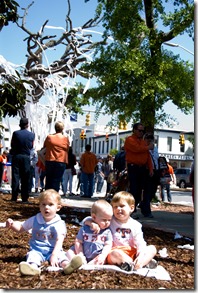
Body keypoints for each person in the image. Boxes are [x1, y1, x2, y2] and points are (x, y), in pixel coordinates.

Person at [5, 189, 82, 276]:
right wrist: (12, 224)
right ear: (40, 206)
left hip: (53, 250)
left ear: (58, 207)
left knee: (61, 257)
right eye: (43, 204)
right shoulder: (35, 219)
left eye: (50, 204)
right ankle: (33, 269)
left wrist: (54, 255)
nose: (46, 207)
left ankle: (67, 266)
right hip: (37, 250)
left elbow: (59, 241)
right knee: (32, 257)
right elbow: (21, 228)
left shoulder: (59, 223)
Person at [84, 191, 157, 271]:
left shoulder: (136, 225)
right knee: (114, 254)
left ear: (131, 208)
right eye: (115, 207)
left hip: (131, 252)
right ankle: (135, 264)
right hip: (114, 252)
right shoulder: (110, 220)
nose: (118, 209)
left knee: (152, 248)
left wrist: (140, 255)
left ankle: (140, 263)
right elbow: (87, 219)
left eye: (122, 206)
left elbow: (140, 243)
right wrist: (92, 224)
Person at [65, 199, 113, 267]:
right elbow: (78, 242)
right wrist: (80, 254)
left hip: (96, 256)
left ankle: (87, 266)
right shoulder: (85, 228)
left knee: (101, 260)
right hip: (83, 253)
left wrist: (103, 255)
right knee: (69, 252)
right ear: (93, 217)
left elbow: (108, 245)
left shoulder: (107, 232)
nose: (107, 223)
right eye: (104, 220)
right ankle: (76, 263)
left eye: (109, 220)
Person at [124, 122, 154, 214]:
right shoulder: (130, 140)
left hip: (142, 168)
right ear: (134, 130)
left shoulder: (143, 142)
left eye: (143, 131)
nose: (141, 132)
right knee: (133, 188)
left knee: (139, 190)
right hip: (133, 167)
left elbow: (147, 156)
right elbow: (136, 149)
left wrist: (150, 168)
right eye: (139, 130)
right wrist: (148, 147)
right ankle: (130, 209)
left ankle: (133, 208)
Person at [10, 118, 35, 203]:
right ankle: (24, 197)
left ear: (19, 124)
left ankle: (14, 197)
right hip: (26, 157)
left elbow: (12, 144)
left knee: (15, 176)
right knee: (25, 177)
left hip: (16, 156)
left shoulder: (15, 133)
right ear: (27, 124)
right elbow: (31, 146)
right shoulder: (31, 135)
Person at [44, 121, 69, 192]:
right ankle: (54, 196)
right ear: (62, 129)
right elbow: (67, 149)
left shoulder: (49, 137)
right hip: (61, 161)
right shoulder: (65, 139)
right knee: (57, 180)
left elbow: (44, 146)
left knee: (49, 180)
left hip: (50, 160)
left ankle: (47, 196)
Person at [140, 133, 159, 218]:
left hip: (156, 171)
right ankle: (147, 211)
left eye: (151, 139)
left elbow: (156, 159)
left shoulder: (155, 149)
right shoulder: (143, 148)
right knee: (147, 191)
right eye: (148, 138)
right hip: (146, 171)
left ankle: (144, 204)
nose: (150, 140)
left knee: (153, 191)